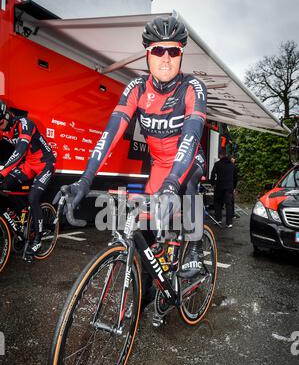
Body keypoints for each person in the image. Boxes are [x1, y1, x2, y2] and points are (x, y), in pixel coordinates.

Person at [56, 16, 207, 305]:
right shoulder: (136, 88)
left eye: (173, 51)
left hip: (186, 161)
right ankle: (151, 290)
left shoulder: (192, 88)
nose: (166, 59)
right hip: (160, 167)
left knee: (187, 184)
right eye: (158, 51)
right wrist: (85, 180)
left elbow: (190, 135)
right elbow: (110, 134)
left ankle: (195, 249)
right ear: (147, 54)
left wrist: (173, 184)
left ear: (181, 54)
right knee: (146, 239)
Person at [0, 100, 55, 254]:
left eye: (0, 122)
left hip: (45, 163)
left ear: (6, 115)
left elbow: (19, 151)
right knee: (4, 186)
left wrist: (2, 172)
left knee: (33, 197)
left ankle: (38, 238)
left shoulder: (25, 124)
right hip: (29, 165)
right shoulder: (3, 129)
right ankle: (21, 216)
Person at [211, 152, 238, 228]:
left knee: (217, 203)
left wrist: (212, 184)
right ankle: (229, 223)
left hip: (219, 186)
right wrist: (234, 187)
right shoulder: (232, 165)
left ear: (220, 156)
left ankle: (218, 219)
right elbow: (235, 177)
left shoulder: (217, 164)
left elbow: (212, 175)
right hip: (229, 187)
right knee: (228, 204)